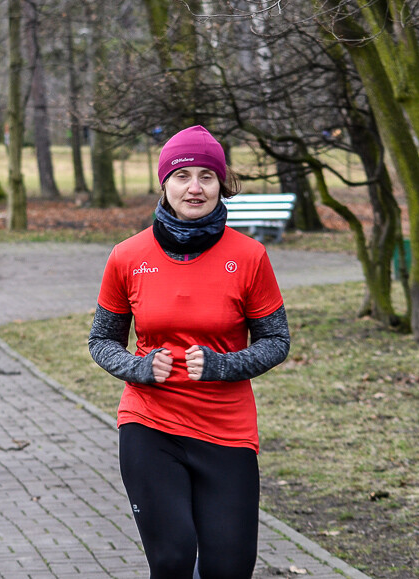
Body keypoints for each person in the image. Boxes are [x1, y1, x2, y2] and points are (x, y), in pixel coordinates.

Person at [88, 125, 291, 578]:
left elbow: (277, 341)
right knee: (173, 558)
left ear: (222, 184)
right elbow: (101, 340)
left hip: (227, 430)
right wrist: (138, 368)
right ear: (164, 183)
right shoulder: (127, 255)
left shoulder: (251, 256)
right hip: (151, 424)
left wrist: (224, 365)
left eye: (206, 176)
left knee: (228, 568)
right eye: (182, 176)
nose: (194, 188)